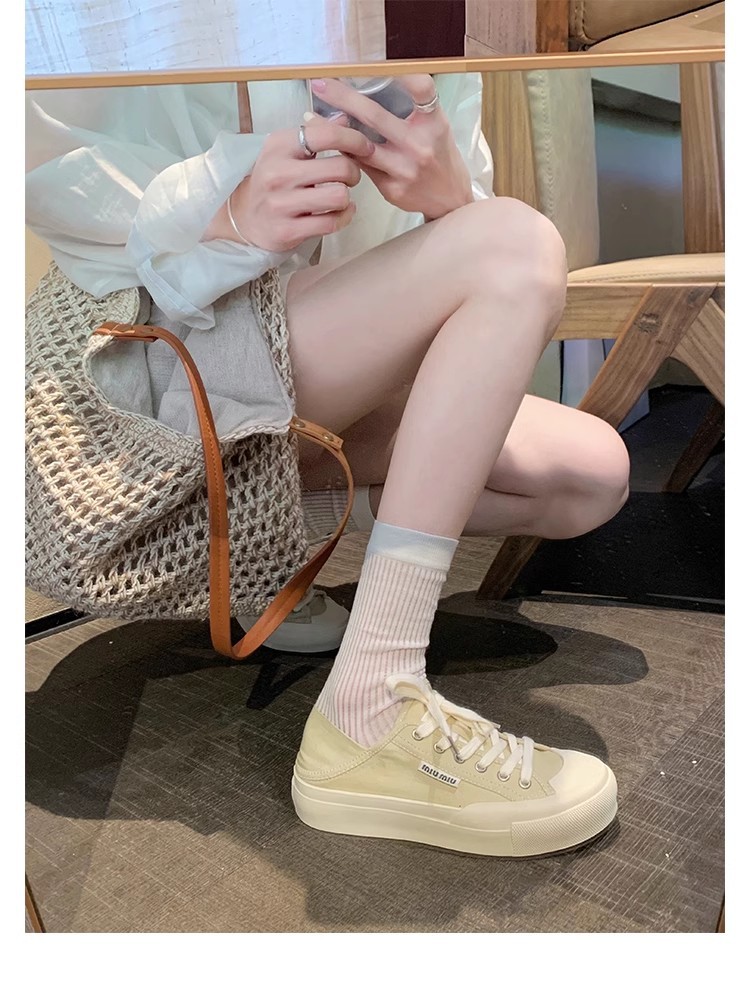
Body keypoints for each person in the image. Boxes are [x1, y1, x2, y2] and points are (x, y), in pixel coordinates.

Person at [26, 72, 629, 857]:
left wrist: (450, 201)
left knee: (590, 477)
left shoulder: (412, 45)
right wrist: (219, 214)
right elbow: (48, 163)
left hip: (317, 357)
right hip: (156, 347)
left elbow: (449, 264)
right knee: (516, 244)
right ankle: (370, 707)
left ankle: (267, 543)